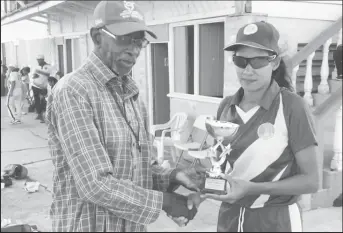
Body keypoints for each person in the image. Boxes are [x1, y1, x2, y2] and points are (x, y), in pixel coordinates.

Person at [45, 1, 206, 232]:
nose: (134, 49)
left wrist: (175, 175)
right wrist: (164, 202)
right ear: (97, 37)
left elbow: (138, 167)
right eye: (124, 39)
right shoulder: (74, 91)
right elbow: (94, 184)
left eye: (139, 41)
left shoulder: (131, 94)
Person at [186, 21, 320, 232]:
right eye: (240, 60)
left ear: (274, 63)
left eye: (258, 61)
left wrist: (253, 189)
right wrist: (199, 193)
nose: (247, 70)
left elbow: (311, 181)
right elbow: (220, 166)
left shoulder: (292, 106)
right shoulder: (226, 105)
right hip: (230, 218)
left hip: (276, 221)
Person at [32, 54, 51, 123]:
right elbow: (33, 75)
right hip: (35, 86)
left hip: (44, 86)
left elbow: (49, 75)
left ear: (43, 60)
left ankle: (44, 115)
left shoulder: (48, 66)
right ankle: (39, 114)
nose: (38, 61)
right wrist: (35, 75)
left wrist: (40, 73)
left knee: (43, 100)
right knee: (37, 100)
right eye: (37, 60)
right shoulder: (36, 67)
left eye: (39, 60)